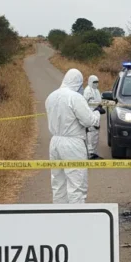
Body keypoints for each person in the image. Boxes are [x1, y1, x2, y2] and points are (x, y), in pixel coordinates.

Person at [45, 68, 103, 204]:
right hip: (73, 143)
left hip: (55, 142)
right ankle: (76, 219)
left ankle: (60, 217)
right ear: (77, 82)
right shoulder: (75, 97)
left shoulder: (51, 96)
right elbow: (88, 121)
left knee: (58, 183)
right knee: (77, 184)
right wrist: (97, 113)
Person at [83, 75, 103, 159]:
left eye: (97, 82)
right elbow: (87, 104)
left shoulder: (97, 91)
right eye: (94, 82)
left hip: (97, 115)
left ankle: (93, 152)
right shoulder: (87, 91)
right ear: (90, 82)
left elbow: (99, 101)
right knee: (90, 134)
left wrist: (100, 107)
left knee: (95, 134)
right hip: (91, 115)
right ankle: (89, 153)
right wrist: (96, 108)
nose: (96, 84)